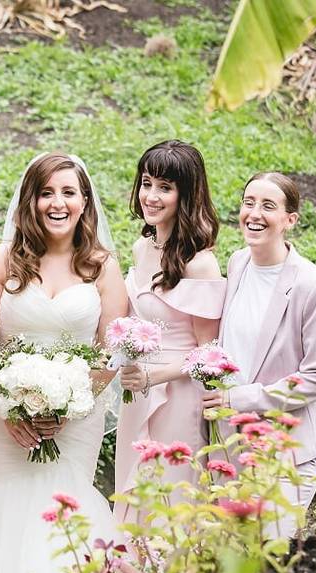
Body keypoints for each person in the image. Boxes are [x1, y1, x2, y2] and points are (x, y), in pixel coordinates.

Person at [0, 152, 129, 573]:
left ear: (85, 202)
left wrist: (71, 407)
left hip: (76, 422)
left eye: (69, 193)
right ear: (29, 201)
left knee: (63, 514)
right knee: (0, 513)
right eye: (46, 193)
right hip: (3, 417)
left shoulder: (103, 266)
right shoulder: (4, 259)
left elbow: (113, 348)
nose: (57, 203)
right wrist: (5, 403)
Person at [204, 171, 316, 539]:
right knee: (231, 560)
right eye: (249, 203)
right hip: (232, 442)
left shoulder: (313, 287)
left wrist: (240, 398)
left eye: (268, 206)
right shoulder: (238, 264)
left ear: (290, 220)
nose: (254, 213)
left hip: (286, 450)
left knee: (269, 562)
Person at [112, 140, 226, 521]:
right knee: (135, 489)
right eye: (147, 183)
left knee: (171, 497)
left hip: (177, 395)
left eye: (165, 187)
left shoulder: (201, 264)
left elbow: (210, 353)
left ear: (186, 194)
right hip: (137, 388)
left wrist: (155, 374)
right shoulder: (140, 248)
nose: (151, 196)